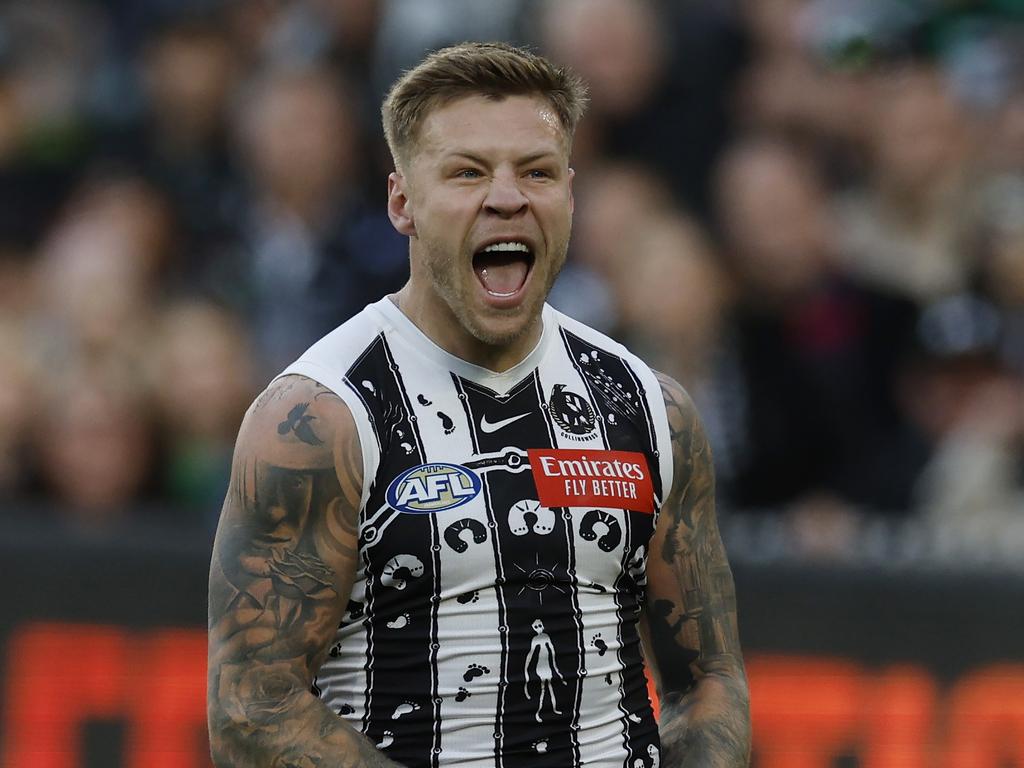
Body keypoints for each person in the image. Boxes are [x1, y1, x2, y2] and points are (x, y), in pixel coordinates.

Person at [207, 41, 750, 767]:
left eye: (537, 171)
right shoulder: (320, 416)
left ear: (569, 193)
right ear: (402, 202)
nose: (507, 197)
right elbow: (252, 710)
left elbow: (708, 682)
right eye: (467, 172)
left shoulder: (649, 407)